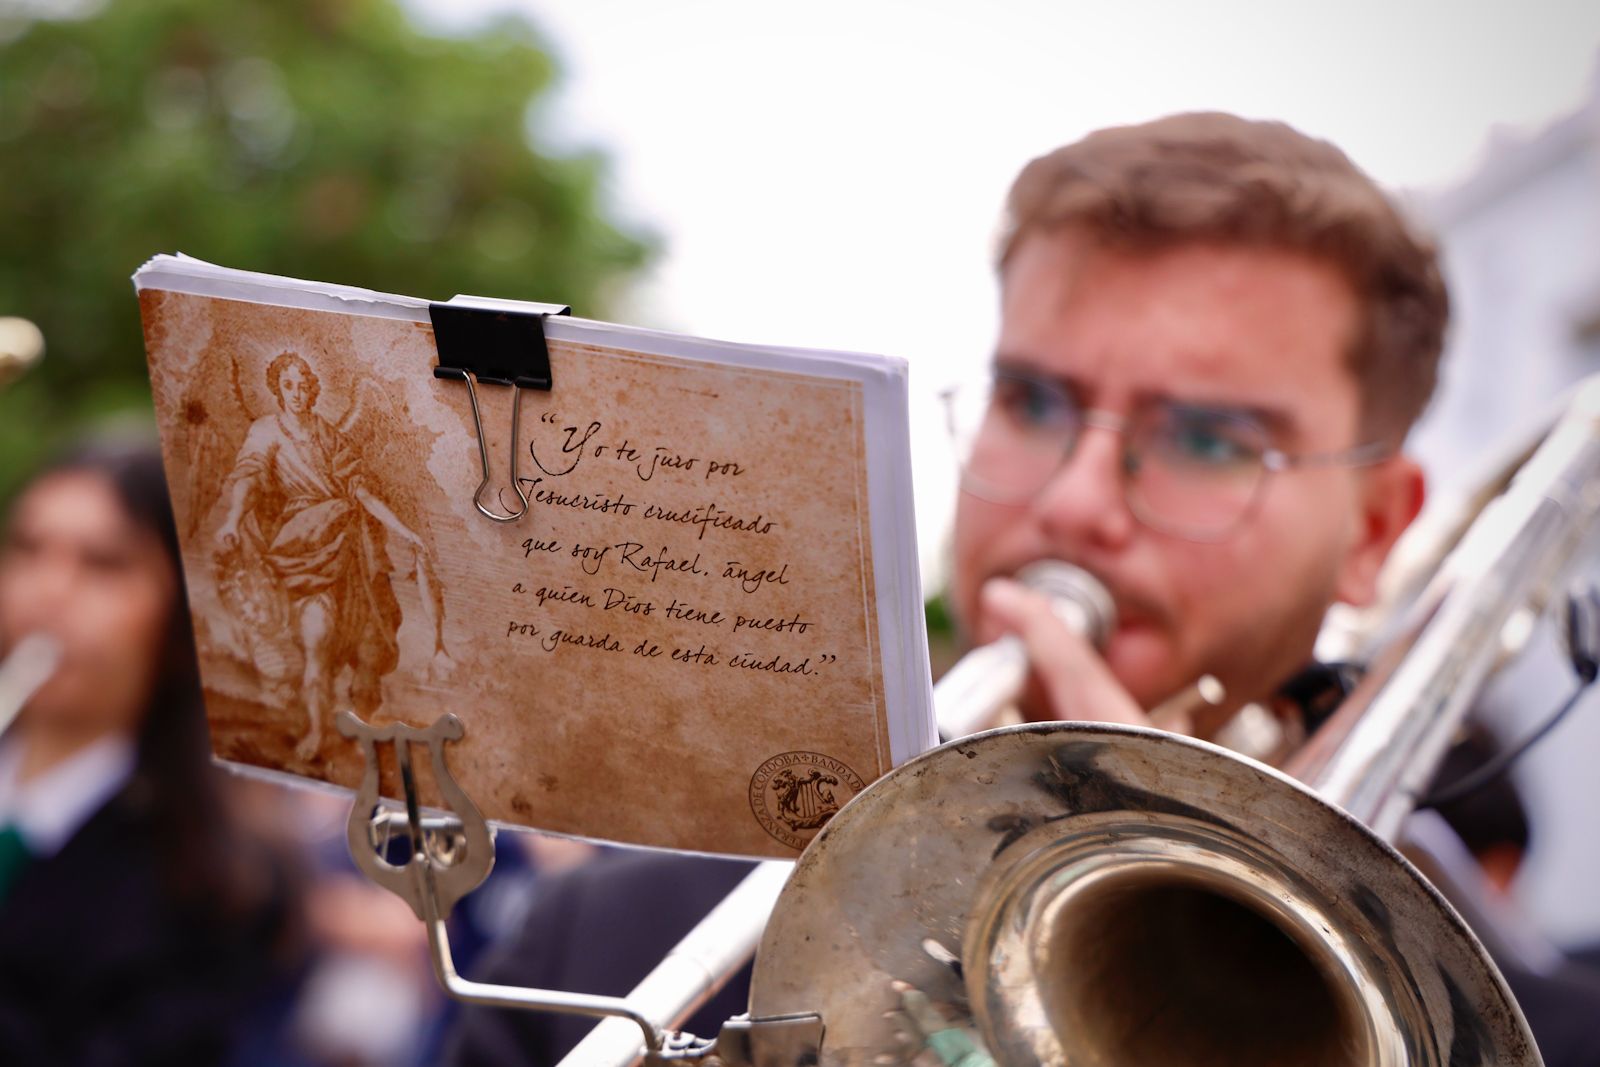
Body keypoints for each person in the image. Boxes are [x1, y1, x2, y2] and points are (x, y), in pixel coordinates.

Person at [446, 112, 1594, 1065]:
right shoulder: (601, 951)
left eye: (1205, 436)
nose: (1073, 499)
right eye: (1033, 402)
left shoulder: (1540, 1036)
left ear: (1374, 528)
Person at [0, 440, 304, 1066]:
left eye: (104, 564)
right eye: (27, 549)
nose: (49, 591)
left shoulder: (220, 885)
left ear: (184, 608)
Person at [213, 350, 446, 761]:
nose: (297, 393)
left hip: (350, 553)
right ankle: (316, 732)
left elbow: (363, 492)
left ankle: (362, 734)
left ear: (314, 389)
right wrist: (232, 520)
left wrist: (405, 531)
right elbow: (248, 478)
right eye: (289, 385)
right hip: (302, 549)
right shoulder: (266, 432)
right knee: (314, 641)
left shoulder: (330, 435)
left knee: (370, 641)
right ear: (277, 389)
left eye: (304, 385)